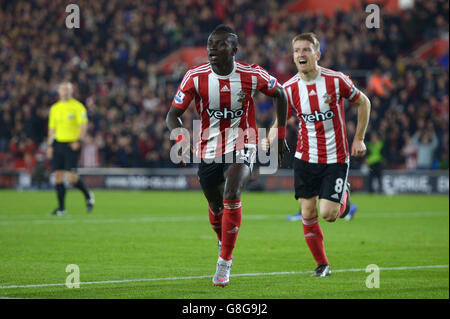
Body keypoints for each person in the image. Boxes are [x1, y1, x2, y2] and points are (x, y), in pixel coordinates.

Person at [166, 25, 288, 287]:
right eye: (210, 43)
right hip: (208, 148)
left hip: (244, 142)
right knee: (215, 205)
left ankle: (224, 262)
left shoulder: (251, 74)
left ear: (234, 49)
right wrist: (181, 138)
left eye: (220, 44)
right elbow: (172, 115)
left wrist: (280, 133)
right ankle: (223, 239)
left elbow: (281, 94)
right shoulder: (194, 76)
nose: (212, 48)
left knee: (231, 194)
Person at [264, 33, 370, 277]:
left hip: (336, 157)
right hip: (305, 158)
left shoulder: (336, 80)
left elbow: (364, 102)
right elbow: (281, 119)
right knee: (308, 212)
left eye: (306, 50)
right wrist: (269, 138)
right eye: (297, 50)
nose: (301, 54)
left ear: (317, 54)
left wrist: (359, 138)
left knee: (328, 214)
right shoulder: (289, 88)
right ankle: (323, 265)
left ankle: (344, 196)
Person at [47, 81, 95, 216]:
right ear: (59, 92)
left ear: (71, 91)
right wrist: (50, 145)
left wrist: (78, 140)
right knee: (57, 176)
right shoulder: (55, 108)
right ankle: (61, 208)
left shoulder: (78, 107)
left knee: (72, 177)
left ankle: (88, 195)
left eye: (67, 89)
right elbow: (52, 128)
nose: (65, 92)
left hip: (71, 144)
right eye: (63, 89)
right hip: (58, 144)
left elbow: (83, 126)